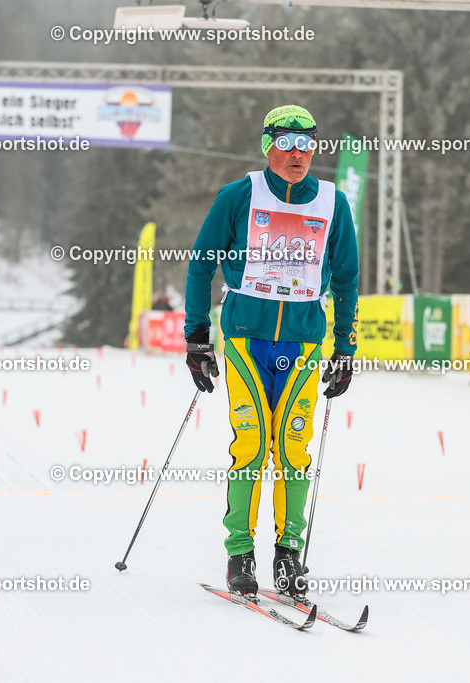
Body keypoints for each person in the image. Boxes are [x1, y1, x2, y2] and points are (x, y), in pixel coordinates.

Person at [183, 104, 359, 597]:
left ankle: (288, 557)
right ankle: (240, 553)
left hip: (303, 341)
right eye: (285, 143)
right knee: (253, 442)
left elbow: (346, 278)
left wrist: (345, 347)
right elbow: (201, 264)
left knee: (294, 447)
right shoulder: (240, 195)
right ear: (268, 147)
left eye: (307, 144)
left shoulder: (333, 203)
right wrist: (197, 338)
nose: (297, 154)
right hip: (245, 336)